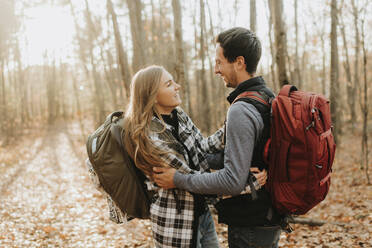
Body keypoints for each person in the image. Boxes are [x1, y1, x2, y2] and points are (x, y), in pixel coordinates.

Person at [153, 27, 282, 248]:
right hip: (267, 216)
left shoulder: (241, 109)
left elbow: (232, 181)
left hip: (250, 222)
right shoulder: (266, 96)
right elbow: (251, 155)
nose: (216, 70)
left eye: (219, 62)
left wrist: (178, 179)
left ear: (239, 62)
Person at [122, 65, 227, 248]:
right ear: (153, 95)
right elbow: (188, 177)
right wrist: (246, 183)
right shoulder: (148, 135)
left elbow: (202, 150)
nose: (177, 86)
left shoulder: (179, 116)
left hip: (202, 214)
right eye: (169, 84)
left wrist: (232, 126)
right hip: (176, 225)